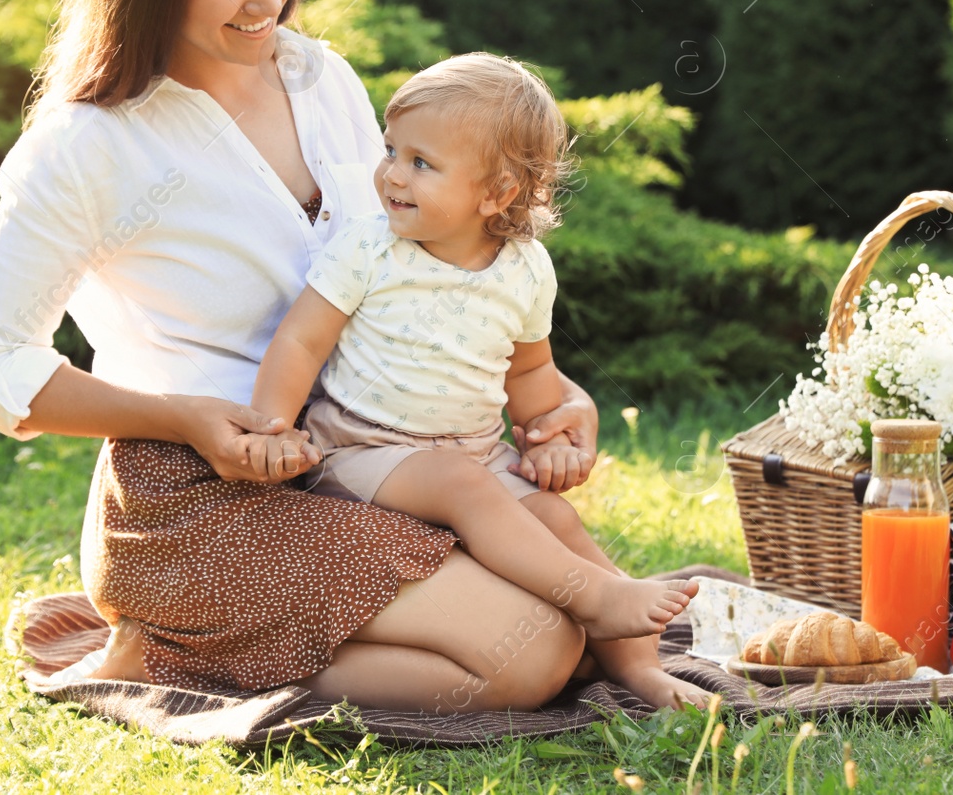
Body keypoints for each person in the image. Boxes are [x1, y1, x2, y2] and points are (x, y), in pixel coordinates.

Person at [0, 0, 705, 712]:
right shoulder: (89, 146)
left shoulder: (321, 78)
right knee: (535, 649)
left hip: (350, 463)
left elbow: (407, 262)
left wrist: (558, 400)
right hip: (194, 504)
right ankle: (167, 650)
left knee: (567, 623)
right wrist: (188, 419)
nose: (266, 1)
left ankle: (224, 643)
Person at [249, 54, 701, 691]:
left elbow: (530, 370)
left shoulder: (525, 268)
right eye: (390, 150)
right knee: (461, 483)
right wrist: (271, 426)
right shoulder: (368, 248)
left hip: (473, 457)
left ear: (497, 194)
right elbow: (300, 341)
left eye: (421, 163)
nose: (392, 176)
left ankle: (643, 671)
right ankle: (595, 596)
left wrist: (548, 435)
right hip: (361, 451)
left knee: (557, 520)